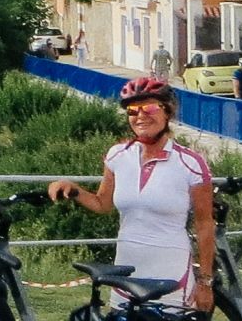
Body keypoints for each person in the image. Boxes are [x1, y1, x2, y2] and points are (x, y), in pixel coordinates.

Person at [47, 75, 216, 308]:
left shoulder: (191, 163)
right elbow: (102, 204)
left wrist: (205, 282)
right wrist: (73, 189)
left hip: (170, 276)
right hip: (126, 272)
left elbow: (204, 224)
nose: (140, 115)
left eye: (149, 107)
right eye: (133, 111)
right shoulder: (117, 155)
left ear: (167, 111)